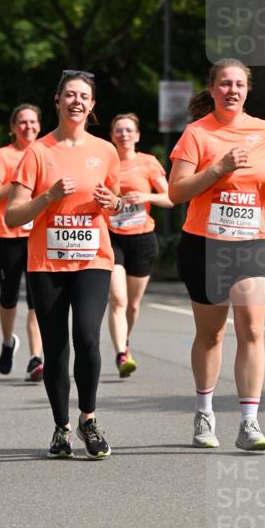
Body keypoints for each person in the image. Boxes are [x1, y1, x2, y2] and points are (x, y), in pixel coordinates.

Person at [168, 58, 265, 451]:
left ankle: (250, 423)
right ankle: (204, 411)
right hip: (205, 242)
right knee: (211, 333)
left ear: (247, 90)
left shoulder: (264, 131)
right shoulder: (196, 134)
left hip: (253, 240)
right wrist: (218, 167)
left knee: (252, 325)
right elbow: (176, 192)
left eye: (239, 84)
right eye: (224, 84)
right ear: (212, 88)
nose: (232, 90)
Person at [5, 70, 121, 459]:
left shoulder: (105, 151)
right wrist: (49, 197)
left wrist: (113, 204)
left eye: (83, 96)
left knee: (87, 335)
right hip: (47, 262)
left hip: (93, 259)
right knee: (56, 347)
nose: (76, 101)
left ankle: (88, 419)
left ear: (92, 105)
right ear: (57, 101)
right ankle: (61, 428)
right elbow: (13, 216)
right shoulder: (38, 152)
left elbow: (115, 202)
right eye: (69, 94)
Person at [106, 113, 172, 377]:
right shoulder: (105, 163)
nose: (123, 134)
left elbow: (170, 197)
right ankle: (122, 353)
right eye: (118, 130)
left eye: (128, 130)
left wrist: (145, 196)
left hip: (142, 239)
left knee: (132, 305)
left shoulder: (148, 162)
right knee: (118, 299)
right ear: (112, 136)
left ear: (137, 135)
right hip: (112, 237)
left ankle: (125, 342)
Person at [0, 105, 44, 379]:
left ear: (39, 126)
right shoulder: (3, 156)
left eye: (32, 122)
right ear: (13, 127)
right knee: (9, 297)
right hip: (9, 236)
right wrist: (18, 179)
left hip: (39, 236)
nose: (27, 126)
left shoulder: (47, 153)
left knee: (37, 300)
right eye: (22, 122)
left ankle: (35, 358)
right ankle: (8, 342)